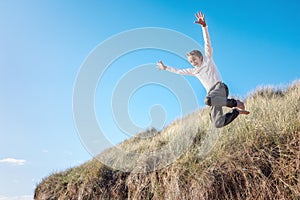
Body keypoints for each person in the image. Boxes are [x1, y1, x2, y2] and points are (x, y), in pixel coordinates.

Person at [157, 12, 250, 128]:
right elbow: (179, 71)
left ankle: (236, 103)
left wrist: (204, 27)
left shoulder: (208, 60)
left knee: (207, 100)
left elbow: (207, 43)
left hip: (219, 88)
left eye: (194, 59)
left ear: (200, 57)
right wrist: (165, 68)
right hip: (213, 98)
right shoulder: (193, 71)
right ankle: (237, 111)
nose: (193, 63)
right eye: (190, 61)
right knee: (217, 123)